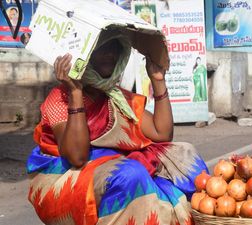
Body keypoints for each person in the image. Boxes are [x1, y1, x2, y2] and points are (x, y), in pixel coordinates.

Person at [26, 30, 208, 225]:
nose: (110, 55)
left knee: (184, 154)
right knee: (129, 173)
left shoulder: (116, 96)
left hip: (110, 166)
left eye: (115, 49)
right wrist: (76, 92)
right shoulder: (60, 98)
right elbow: (77, 157)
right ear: (84, 54)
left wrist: (158, 81)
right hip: (65, 179)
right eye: (102, 48)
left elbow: (161, 134)